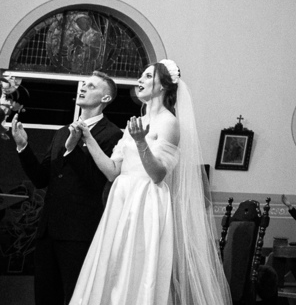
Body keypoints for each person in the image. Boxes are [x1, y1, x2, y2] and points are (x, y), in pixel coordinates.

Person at [68, 60, 231, 305]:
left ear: (164, 84)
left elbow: (158, 175)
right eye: (141, 76)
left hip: (146, 202)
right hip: (121, 199)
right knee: (112, 265)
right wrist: (88, 138)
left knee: (137, 268)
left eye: (147, 76)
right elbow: (112, 171)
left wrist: (141, 142)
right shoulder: (136, 123)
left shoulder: (170, 123)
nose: (139, 81)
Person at [13, 72, 122, 305]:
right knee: (44, 296)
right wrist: (23, 146)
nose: (83, 88)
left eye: (91, 86)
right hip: (47, 230)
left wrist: (73, 149)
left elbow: (98, 181)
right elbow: (42, 178)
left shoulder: (112, 134)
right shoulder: (62, 132)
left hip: (79, 232)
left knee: (75, 297)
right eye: (83, 84)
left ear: (105, 98)